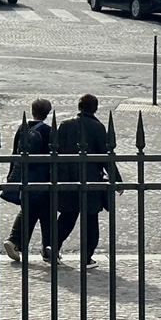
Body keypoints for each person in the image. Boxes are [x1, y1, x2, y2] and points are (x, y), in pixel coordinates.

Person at [53, 93, 121, 269]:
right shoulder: (97, 128)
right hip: (90, 179)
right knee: (91, 219)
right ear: (95, 108)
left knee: (67, 217)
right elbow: (106, 157)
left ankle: (52, 248)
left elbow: (55, 152)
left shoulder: (65, 125)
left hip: (67, 178)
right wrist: (116, 180)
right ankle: (86, 257)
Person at [1, 98, 54, 263]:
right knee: (47, 213)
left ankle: (16, 242)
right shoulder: (48, 131)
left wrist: (12, 176)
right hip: (43, 178)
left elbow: (15, 153)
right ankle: (48, 248)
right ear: (48, 112)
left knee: (29, 211)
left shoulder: (22, 128)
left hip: (25, 176)